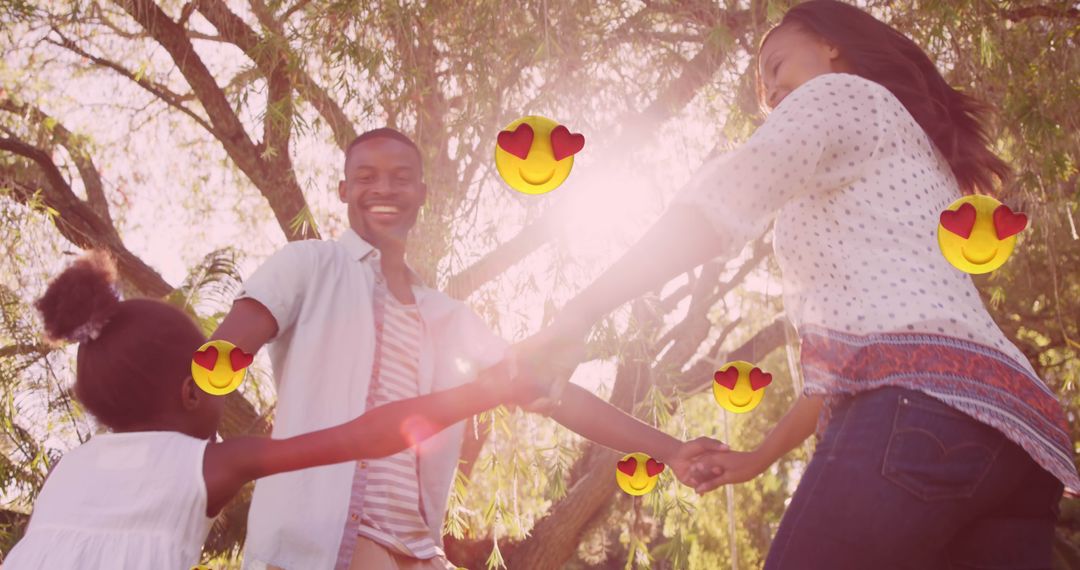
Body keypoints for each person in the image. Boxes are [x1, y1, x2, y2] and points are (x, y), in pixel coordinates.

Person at [514, 1, 1079, 568]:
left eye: (776, 66)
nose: (772, 91)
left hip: (921, 416)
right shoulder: (919, 158)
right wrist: (761, 456)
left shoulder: (839, 94)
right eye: (764, 88)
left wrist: (582, 309)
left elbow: (724, 201)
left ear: (831, 43)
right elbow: (864, 350)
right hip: (1018, 437)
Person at [211, 128, 728, 570]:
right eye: (366, 177)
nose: (383, 188)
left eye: (400, 177)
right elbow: (219, 358)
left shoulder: (449, 318)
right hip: (320, 540)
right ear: (344, 190)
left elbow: (551, 391)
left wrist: (673, 450)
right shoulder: (308, 267)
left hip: (414, 548)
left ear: (422, 193)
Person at [1, 251, 537, 570]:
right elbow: (366, 436)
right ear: (191, 392)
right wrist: (485, 392)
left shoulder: (69, 469)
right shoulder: (211, 464)